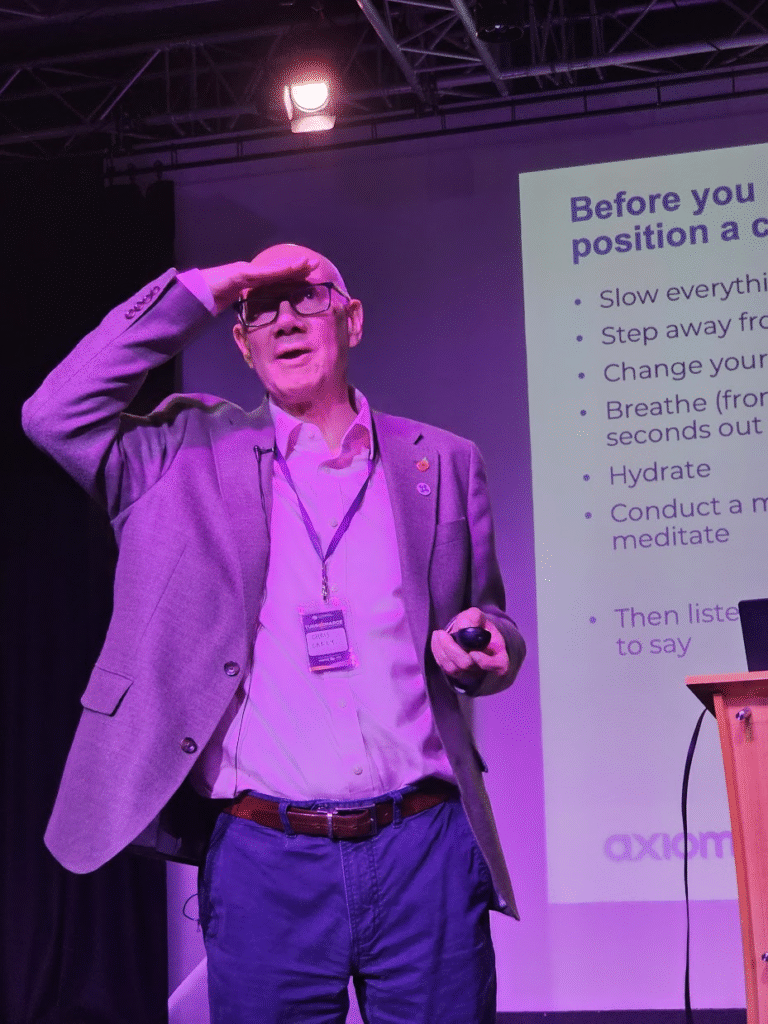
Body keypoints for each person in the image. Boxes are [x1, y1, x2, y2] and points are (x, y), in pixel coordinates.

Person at [22, 242, 526, 1024]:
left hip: (423, 848)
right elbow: (54, 415)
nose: (285, 319)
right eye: (262, 308)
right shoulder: (180, 455)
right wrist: (205, 288)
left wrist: (487, 645)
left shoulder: (444, 462)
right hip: (266, 859)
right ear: (241, 341)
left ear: (352, 321)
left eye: (308, 298)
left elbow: (487, 620)